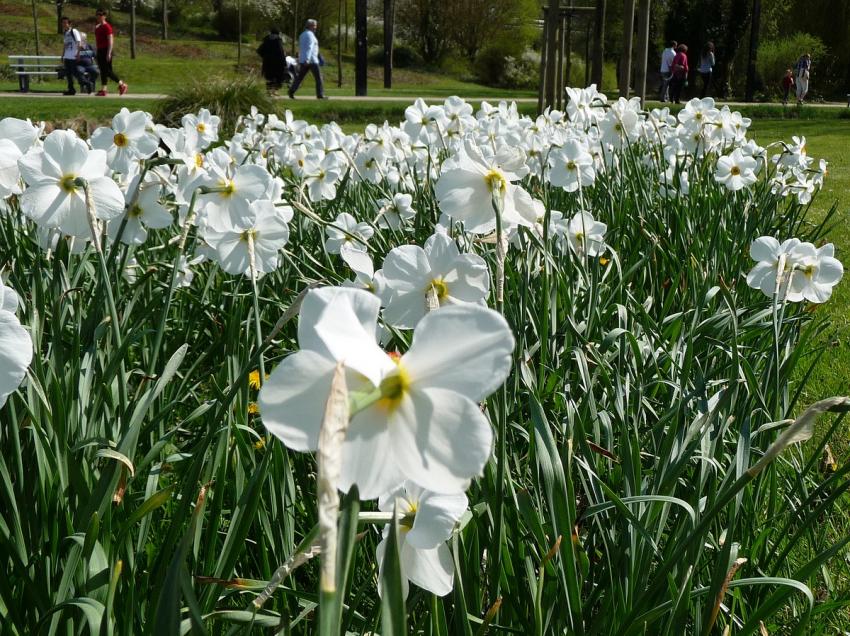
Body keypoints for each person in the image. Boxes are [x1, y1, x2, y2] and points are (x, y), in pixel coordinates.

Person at [288, 19, 325, 99]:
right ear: (310, 26)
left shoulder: (302, 35)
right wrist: (307, 59)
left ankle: (291, 91)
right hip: (311, 60)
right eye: (314, 26)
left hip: (303, 59)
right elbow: (309, 47)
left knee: (300, 77)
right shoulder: (310, 35)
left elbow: (302, 48)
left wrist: (303, 58)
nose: (316, 28)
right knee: (319, 78)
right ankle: (320, 94)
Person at [94, 9, 127, 96]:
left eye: (101, 15)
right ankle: (104, 90)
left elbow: (110, 40)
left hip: (106, 50)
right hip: (100, 50)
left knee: (107, 70)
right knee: (103, 71)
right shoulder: (97, 27)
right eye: (97, 15)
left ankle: (122, 84)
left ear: (104, 16)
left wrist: (109, 53)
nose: (99, 17)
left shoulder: (107, 27)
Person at [257, 27, 288, 91]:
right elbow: (281, 53)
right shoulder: (278, 41)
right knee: (278, 78)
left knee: (269, 77)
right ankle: (274, 91)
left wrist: (265, 56)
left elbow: (259, 50)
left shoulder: (266, 40)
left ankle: (269, 92)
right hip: (277, 63)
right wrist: (284, 63)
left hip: (267, 62)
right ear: (278, 34)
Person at [60, 17, 82, 96]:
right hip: (67, 57)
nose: (64, 24)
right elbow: (65, 45)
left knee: (75, 73)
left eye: (65, 23)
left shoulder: (74, 31)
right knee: (68, 74)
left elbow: (79, 42)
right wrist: (62, 56)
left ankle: (86, 83)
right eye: (63, 23)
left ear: (69, 24)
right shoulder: (65, 33)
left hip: (73, 56)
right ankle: (71, 89)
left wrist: (78, 53)